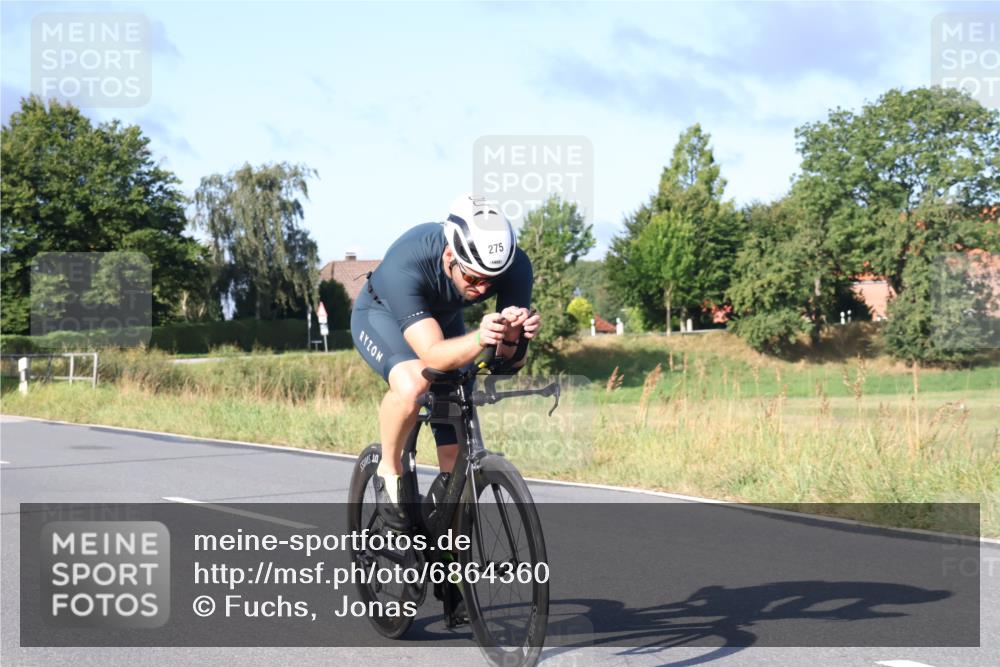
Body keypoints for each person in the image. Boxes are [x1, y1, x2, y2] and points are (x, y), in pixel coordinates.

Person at [350, 194, 541, 529]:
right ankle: (388, 469)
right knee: (413, 384)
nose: (481, 290)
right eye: (472, 279)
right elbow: (433, 353)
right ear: (450, 256)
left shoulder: (515, 267)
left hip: (444, 318)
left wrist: (513, 337)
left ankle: (448, 561)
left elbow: (508, 365)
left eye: (490, 280)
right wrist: (481, 337)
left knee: (457, 448)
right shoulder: (407, 262)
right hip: (382, 314)